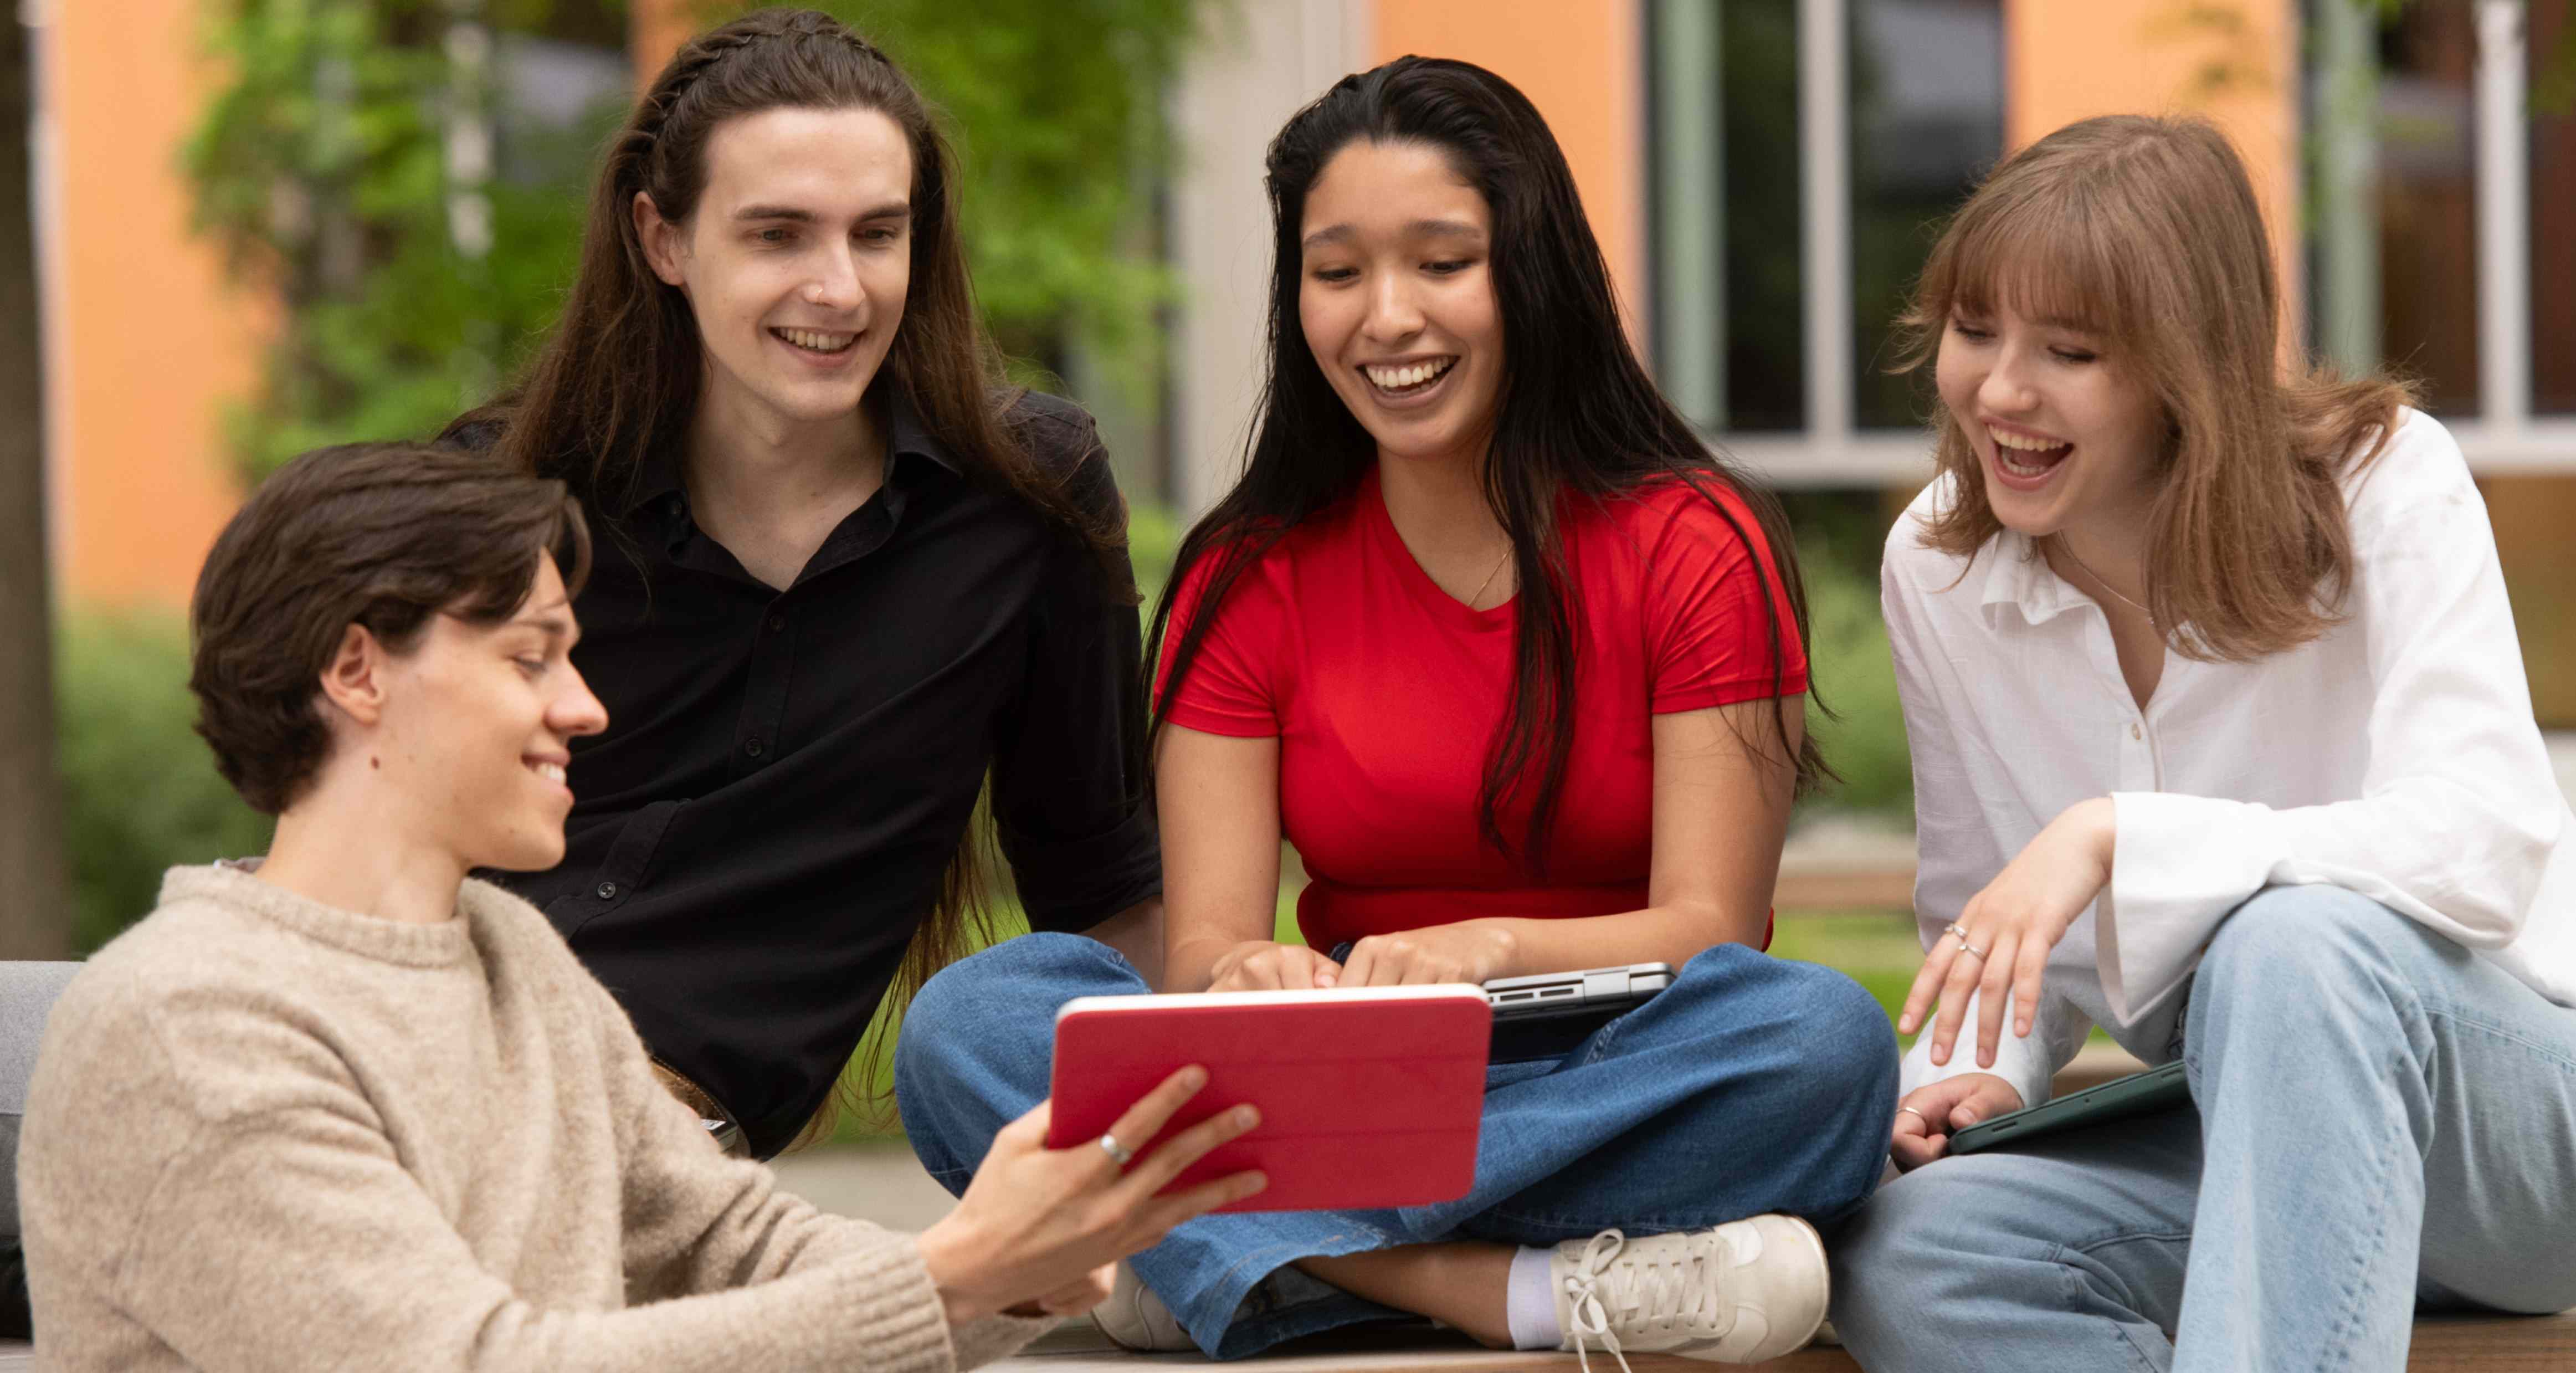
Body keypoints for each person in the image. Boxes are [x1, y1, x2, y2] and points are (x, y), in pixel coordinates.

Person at [894, 56, 1899, 1366]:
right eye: (1337, 271)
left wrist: (1485, 948)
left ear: (1529, 272)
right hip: (1330, 1086)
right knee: (974, 1024)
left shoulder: (1696, 542)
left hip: (1614, 1068)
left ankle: (1229, 1266)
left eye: (1441, 263)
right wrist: (1246, 972)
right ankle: (1509, 1292)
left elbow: (1709, 928)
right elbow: (1202, 949)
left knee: (1824, 1044)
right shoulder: (1245, 573)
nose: (1388, 319)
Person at [16, 442, 1264, 1370]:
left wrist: (1025, 1264)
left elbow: (733, 1245)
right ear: (357, 672)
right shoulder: (185, 1025)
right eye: (528, 657)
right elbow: (467, 1364)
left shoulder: (517, 963)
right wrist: (955, 1272)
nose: (586, 706)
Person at [1828, 114, 2576, 1372]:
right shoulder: (1939, 565)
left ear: (2185, 366)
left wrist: (2123, 835)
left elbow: (2481, 844)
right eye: (1978, 332)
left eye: (2069, 350)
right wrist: (1981, 1076)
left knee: (2293, 940)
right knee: (1912, 1251)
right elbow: (1995, 937)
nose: (2000, 390)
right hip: (2262, 1143)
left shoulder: (2385, 483)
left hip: (2556, 1139)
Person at [440, 9, 1163, 1161]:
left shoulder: (1029, 501)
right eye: (779, 235)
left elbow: (1103, 893)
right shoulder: (502, 500)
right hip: (424, 1061)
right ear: (663, 239)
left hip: (656, 1138)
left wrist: (1148, 1185)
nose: (838, 288)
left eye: (878, 234)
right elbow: (372, 846)